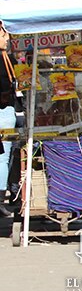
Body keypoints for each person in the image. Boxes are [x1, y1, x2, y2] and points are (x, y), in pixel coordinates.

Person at [0, 21, 18, 216]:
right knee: (2, 158)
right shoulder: (3, 59)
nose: (7, 37)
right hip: (3, 111)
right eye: (4, 33)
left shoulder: (6, 58)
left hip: (5, 111)